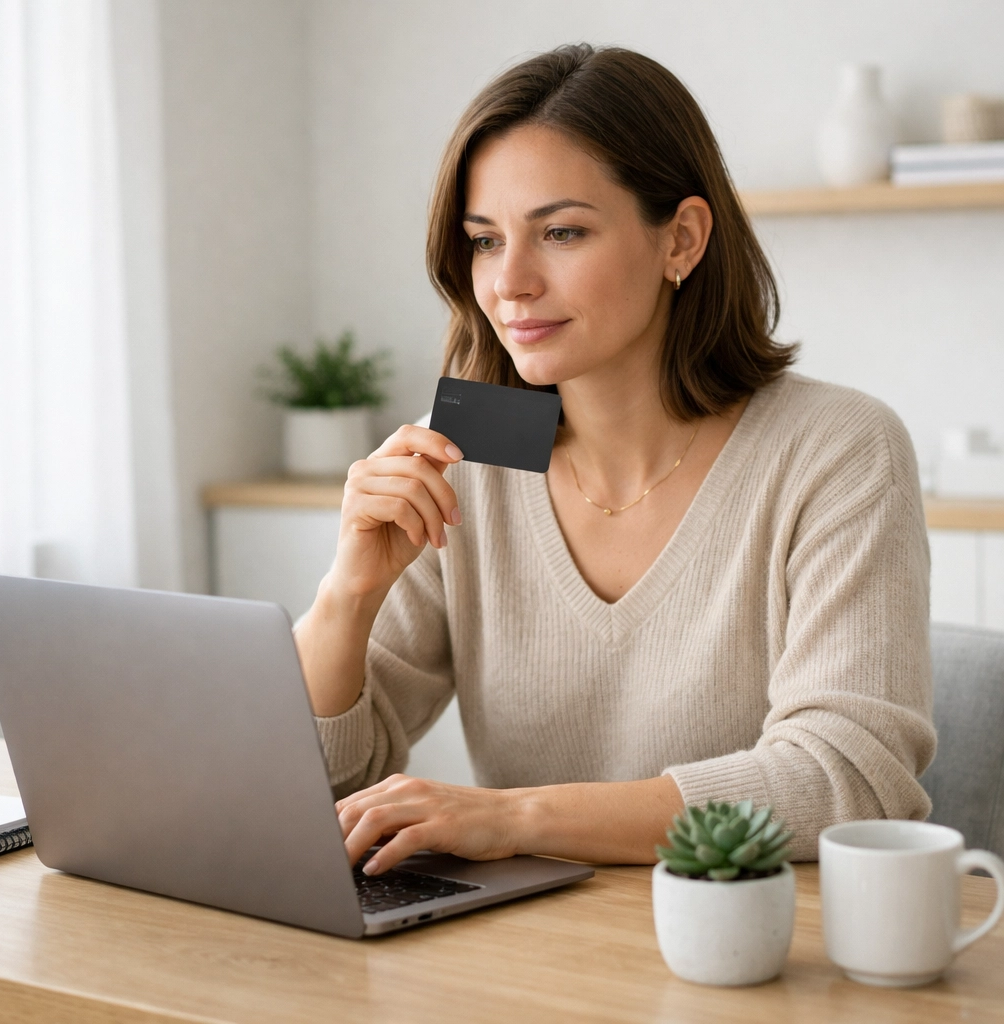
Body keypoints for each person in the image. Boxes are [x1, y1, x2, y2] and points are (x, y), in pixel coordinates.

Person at [293, 44, 935, 877]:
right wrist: (345, 596)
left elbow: (848, 778)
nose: (510, 282)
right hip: (534, 958)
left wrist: (516, 817)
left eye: (561, 232)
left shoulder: (836, 450)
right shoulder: (463, 458)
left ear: (683, 239)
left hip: (756, 960)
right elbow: (327, 791)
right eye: (485, 241)